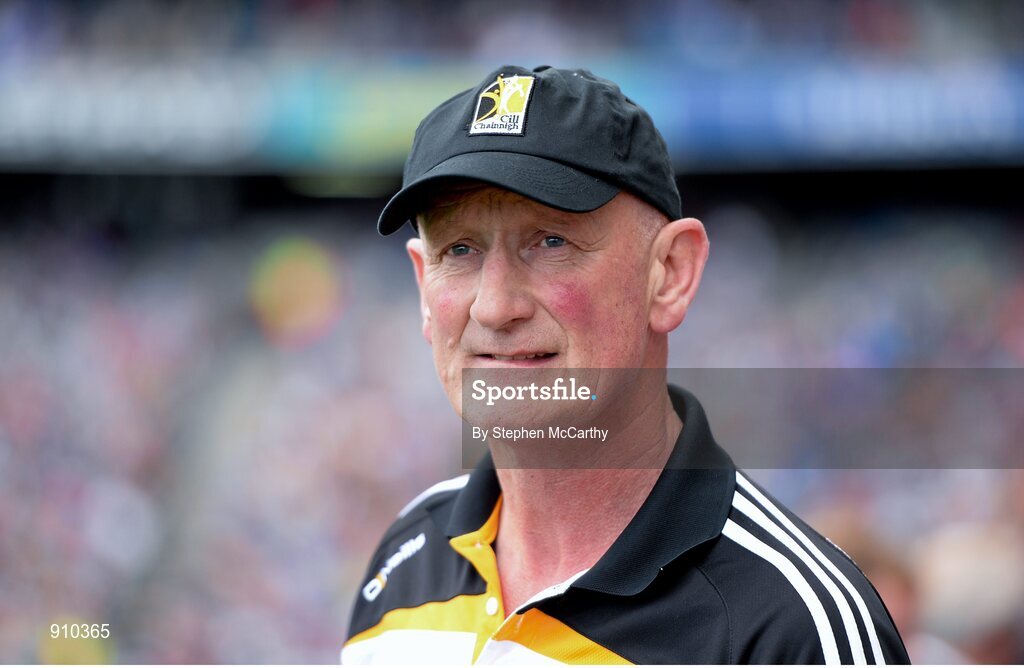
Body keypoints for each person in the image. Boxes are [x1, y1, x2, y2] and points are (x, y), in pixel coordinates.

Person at [342, 65, 910, 665]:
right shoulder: (405, 558)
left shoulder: (790, 627)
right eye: (459, 250)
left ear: (670, 275)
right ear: (422, 288)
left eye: (550, 241)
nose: (494, 306)